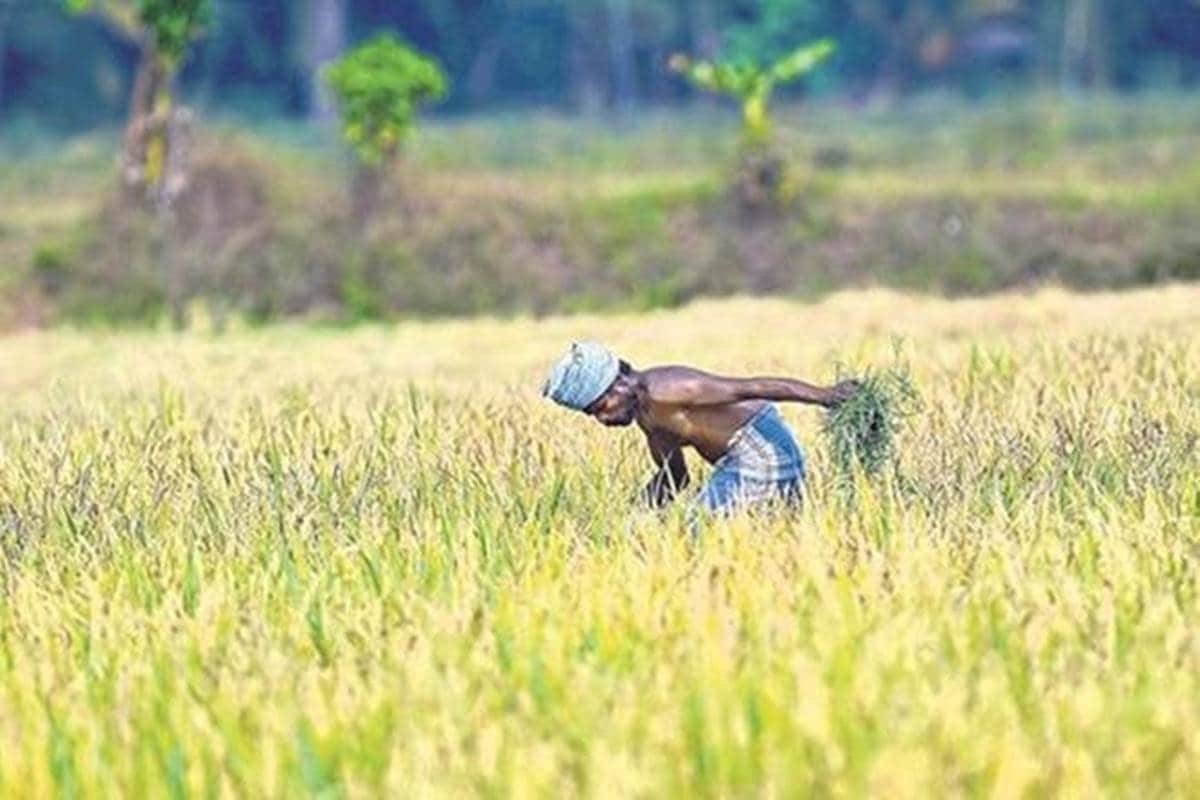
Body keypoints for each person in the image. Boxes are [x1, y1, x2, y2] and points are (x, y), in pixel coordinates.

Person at [542, 341, 858, 515]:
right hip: (736, 462)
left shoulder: (668, 388)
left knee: (702, 525)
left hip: (762, 449)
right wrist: (635, 518)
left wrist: (825, 395)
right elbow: (675, 477)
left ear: (619, 383)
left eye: (601, 407)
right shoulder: (648, 417)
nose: (602, 419)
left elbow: (752, 387)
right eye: (592, 415)